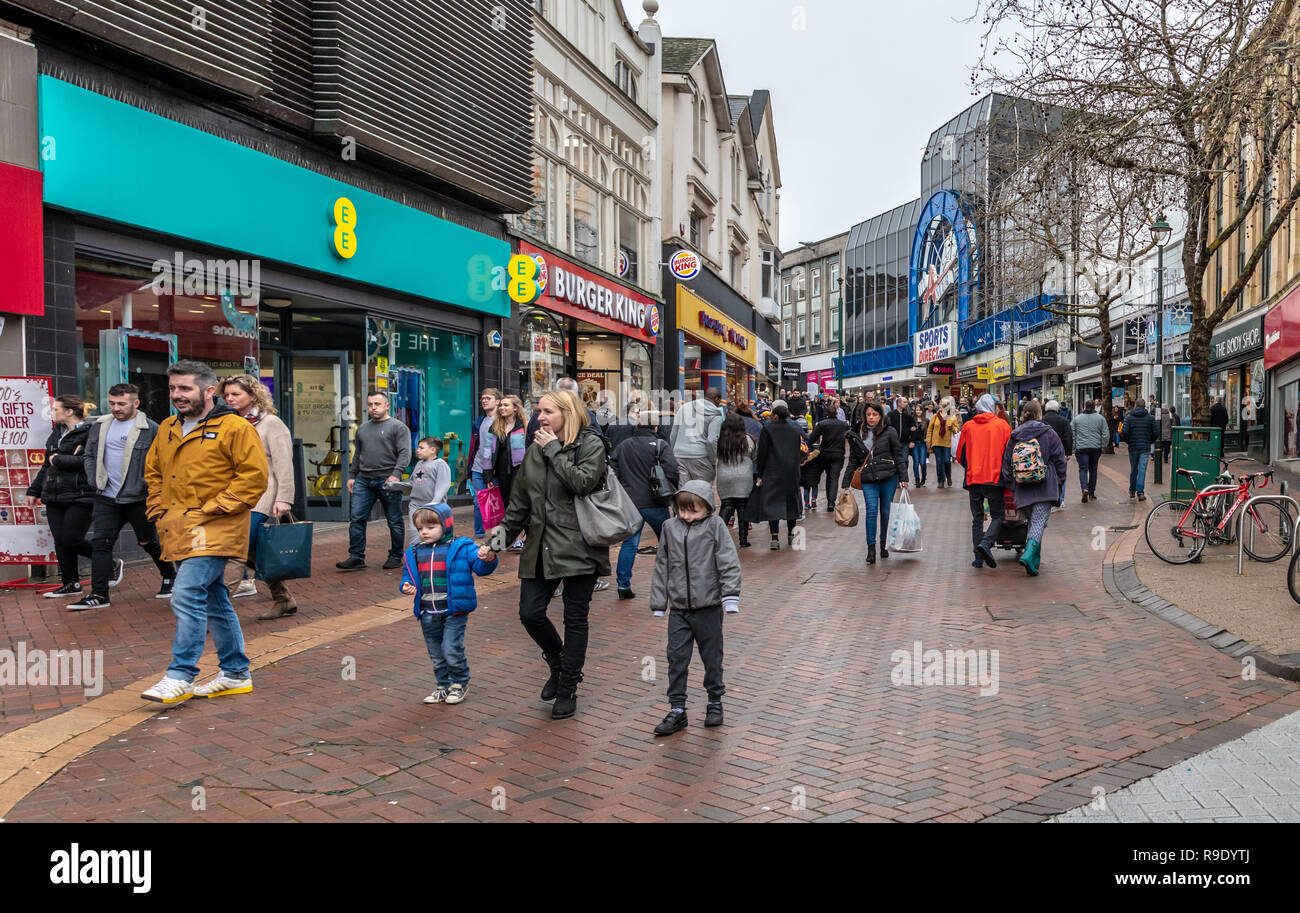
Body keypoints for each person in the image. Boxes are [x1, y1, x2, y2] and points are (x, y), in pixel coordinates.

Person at [140, 360, 268, 703]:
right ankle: (236, 673)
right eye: (172, 389)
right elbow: (153, 472)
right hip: (178, 528)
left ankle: (180, 674)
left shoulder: (235, 428)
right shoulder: (168, 426)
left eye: (185, 388)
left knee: (186, 592)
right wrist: (157, 508)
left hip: (217, 528)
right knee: (214, 599)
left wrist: (213, 509)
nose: (177, 395)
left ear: (208, 391)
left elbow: (253, 478)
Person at [502, 388, 609, 720]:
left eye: (547, 411)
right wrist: (493, 543)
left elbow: (582, 483)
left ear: (569, 413)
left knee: (575, 619)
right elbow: (517, 505)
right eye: (538, 411)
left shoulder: (591, 445)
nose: (540, 417)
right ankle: (558, 662)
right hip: (539, 546)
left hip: (580, 546)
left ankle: (568, 688)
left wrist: (552, 450)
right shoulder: (534, 452)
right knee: (529, 613)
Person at [68, 385, 175, 610]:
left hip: (137, 497)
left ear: (135, 403)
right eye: (112, 403)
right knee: (101, 544)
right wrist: (93, 479)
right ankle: (99, 594)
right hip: (106, 496)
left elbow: (161, 462)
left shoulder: (151, 428)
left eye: (121, 404)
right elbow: (89, 453)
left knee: (148, 541)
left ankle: (169, 576)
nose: (116, 408)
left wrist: (149, 487)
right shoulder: (100, 425)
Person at [649, 481, 741, 735]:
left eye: (694, 511)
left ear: (708, 508)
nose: (687, 516)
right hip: (679, 608)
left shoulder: (715, 526)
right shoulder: (669, 527)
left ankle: (714, 701)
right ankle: (677, 709)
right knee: (676, 658)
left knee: (712, 657)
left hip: (709, 606)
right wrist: (659, 602)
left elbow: (728, 560)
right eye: (682, 510)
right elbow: (662, 565)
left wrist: (730, 595)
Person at [400, 503, 497, 706]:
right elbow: (408, 576)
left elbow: (481, 568)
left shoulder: (462, 547)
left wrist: (488, 558)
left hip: (454, 609)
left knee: (451, 647)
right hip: (427, 611)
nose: (424, 532)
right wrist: (406, 585)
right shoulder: (415, 552)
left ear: (446, 525)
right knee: (436, 652)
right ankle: (442, 686)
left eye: (430, 527)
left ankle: (459, 683)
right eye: (420, 529)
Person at [220, 375, 299, 620]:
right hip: (233, 495)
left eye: (236, 394)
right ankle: (283, 599)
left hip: (262, 496)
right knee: (257, 552)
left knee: (236, 548)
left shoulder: (270, 423)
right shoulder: (227, 423)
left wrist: (284, 497)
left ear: (253, 396)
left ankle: (214, 610)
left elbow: (284, 463)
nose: (229, 398)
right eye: (227, 395)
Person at [28, 394, 97, 599]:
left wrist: (60, 459)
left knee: (71, 538)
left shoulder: (90, 432)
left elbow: (88, 462)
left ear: (69, 411)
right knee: (60, 540)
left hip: (81, 494)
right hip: (54, 494)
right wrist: (34, 491)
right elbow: (46, 464)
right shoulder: (56, 432)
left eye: (55, 409)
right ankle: (70, 583)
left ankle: (106, 560)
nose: (52, 412)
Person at [336, 390, 411, 572]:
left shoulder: (398, 427)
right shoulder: (362, 429)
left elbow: (405, 453)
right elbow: (358, 454)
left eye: (377, 404)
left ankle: (395, 556)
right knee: (357, 518)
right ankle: (356, 557)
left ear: (387, 405)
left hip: (388, 480)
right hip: (363, 479)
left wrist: (396, 474)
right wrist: (352, 475)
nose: (373, 408)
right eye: (370, 404)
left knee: (394, 520)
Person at [610, 409, 680, 598]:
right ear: (656, 426)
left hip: (630, 502)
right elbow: (672, 471)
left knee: (630, 544)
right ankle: (674, 582)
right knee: (668, 544)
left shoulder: (624, 445)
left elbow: (612, 471)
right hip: (656, 502)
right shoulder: (660, 445)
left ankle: (623, 586)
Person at [1002, 399, 1068, 576]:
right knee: (1039, 522)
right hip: (1045, 484)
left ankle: (1034, 563)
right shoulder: (1049, 433)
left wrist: (1011, 483)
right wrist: (1060, 480)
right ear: (1040, 414)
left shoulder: (1015, 435)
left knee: (1034, 521)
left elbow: (1007, 462)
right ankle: (1029, 553)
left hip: (1023, 487)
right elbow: (1060, 459)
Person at [842, 401, 908, 565]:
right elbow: (853, 460)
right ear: (864, 416)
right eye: (868, 414)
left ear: (880, 416)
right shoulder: (856, 434)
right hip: (868, 478)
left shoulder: (889, 431)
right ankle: (870, 549)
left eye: (875, 414)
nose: (871, 418)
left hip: (888, 477)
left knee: (885, 512)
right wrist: (845, 482)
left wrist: (904, 477)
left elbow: (898, 455)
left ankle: (883, 544)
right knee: (871, 511)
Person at [955, 394, 1012, 569]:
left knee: (977, 518)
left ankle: (978, 558)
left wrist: (970, 466)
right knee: (997, 516)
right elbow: (1009, 453)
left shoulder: (968, 426)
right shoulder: (1003, 426)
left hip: (974, 478)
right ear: (992, 407)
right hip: (994, 478)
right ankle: (986, 543)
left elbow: (960, 454)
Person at [748, 402, 803, 550]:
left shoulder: (768, 429)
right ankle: (791, 535)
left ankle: (774, 537)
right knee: (791, 502)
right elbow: (799, 450)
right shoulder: (794, 430)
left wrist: (760, 473)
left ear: (776, 415)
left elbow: (763, 453)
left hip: (772, 471)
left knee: (773, 502)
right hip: (792, 471)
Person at [715, 413, 756, 547]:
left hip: (725, 476)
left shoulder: (720, 441)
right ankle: (743, 540)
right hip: (743, 477)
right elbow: (755, 457)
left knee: (726, 506)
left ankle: (716, 539)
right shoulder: (748, 440)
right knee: (743, 508)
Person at [670, 388, 724, 485]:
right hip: (701, 457)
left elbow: (673, 436)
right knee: (702, 492)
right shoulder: (716, 414)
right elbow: (711, 441)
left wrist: (674, 454)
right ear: (717, 399)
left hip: (679, 456)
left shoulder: (683, 408)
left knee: (683, 492)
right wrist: (712, 461)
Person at [467, 387, 501, 537]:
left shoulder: (502, 420)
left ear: (498, 401)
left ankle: (498, 537)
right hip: (478, 468)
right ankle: (479, 536)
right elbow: (473, 446)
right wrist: (469, 469)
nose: (484, 401)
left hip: (495, 470)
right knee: (477, 502)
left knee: (497, 503)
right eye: (482, 398)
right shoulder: (479, 422)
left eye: (488, 398)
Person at [484, 394, 528, 510]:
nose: (501, 408)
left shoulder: (524, 426)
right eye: (501, 405)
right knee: (505, 501)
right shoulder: (494, 427)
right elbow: (487, 452)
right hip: (502, 470)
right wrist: (488, 475)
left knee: (517, 499)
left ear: (515, 408)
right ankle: (510, 527)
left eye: (506, 405)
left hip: (519, 469)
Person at [406, 436, 451, 540]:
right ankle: (415, 554)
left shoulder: (440, 464)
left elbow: (443, 485)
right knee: (414, 531)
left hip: (434, 507)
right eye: (418, 447)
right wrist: (395, 486)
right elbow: (413, 483)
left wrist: (433, 505)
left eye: (421, 448)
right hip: (415, 505)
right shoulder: (418, 464)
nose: (417, 450)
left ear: (432, 450)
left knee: (436, 534)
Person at [808, 407, 849, 508]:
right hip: (838, 453)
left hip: (825, 453)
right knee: (834, 478)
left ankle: (829, 500)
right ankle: (831, 502)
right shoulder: (844, 425)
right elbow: (850, 438)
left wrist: (813, 449)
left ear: (826, 413)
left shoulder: (822, 424)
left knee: (828, 477)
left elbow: (811, 439)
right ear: (836, 413)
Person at [1120, 397, 1159, 501]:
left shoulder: (1129, 417)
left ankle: (1132, 490)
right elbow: (1156, 432)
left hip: (1133, 446)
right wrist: (1149, 440)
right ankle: (1140, 492)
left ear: (1135, 406)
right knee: (1142, 469)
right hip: (1145, 447)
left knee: (1134, 469)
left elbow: (1125, 432)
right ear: (1144, 406)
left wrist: (1128, 441)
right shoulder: (1150, 418)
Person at [1071, 400, 1108, 503]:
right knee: (1093, 469)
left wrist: (1074, 448)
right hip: (1095, 448)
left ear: (1084, 407)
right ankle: (1091, 492)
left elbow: (1072, 434)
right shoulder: (1101, 419)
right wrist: (1103, 446)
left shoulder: (1076, 419)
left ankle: (1084, 488)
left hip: (1081, 448)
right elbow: (1105, 434)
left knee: (1083, 469)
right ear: (1094, 407)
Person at [1041, 400, 1074, 510]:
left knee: (1046, 474)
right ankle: (1061, 499)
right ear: (1057, 409)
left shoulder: (1041, 421)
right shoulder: (1063, 421)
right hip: (1060, 452)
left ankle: (1047, 498)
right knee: (1061, 474)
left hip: (1044, 452)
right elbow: (1068, 437)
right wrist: (1068, 452)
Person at [926, 397, 960, 489]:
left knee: (946, 461)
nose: (940, 406)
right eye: (940, 405)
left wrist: (952, 427)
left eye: (942, 405)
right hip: (936, 442)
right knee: (939, 461)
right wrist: (928, 442)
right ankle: (940, 480)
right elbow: (930, 430)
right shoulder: (935, 416)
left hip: (947, 443)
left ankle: (948, 476)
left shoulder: (952, 417)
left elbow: (956, 430)